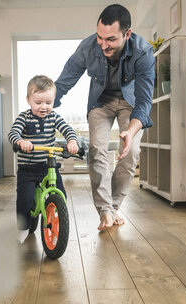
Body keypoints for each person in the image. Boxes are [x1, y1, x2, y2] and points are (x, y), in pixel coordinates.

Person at [54, 4, 155, 230]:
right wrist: (44, 105)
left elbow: (145, 101)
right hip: (101, 102)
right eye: (100, 37)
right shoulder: (89, 47)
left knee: (131, 152)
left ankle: (113, 207)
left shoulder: (143, 52)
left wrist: (130, 131)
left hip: (132, 105)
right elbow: (64, 81)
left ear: (127, 34)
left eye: (110, 39)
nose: (103, 44)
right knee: (97, 149)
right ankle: (105, 212)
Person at [8, 75, 79, 244]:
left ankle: (54, 214)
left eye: (48, 103)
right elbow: (13, 133)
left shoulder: (54, 117)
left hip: (48, 166)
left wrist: (72, 141)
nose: (43, 107)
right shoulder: (24, 117)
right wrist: (20, 141)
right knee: (25, 200)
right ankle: (23, 228)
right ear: (28, 100)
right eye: (38, 102)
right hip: (28, 168)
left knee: (60, 194)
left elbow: (67, 129)